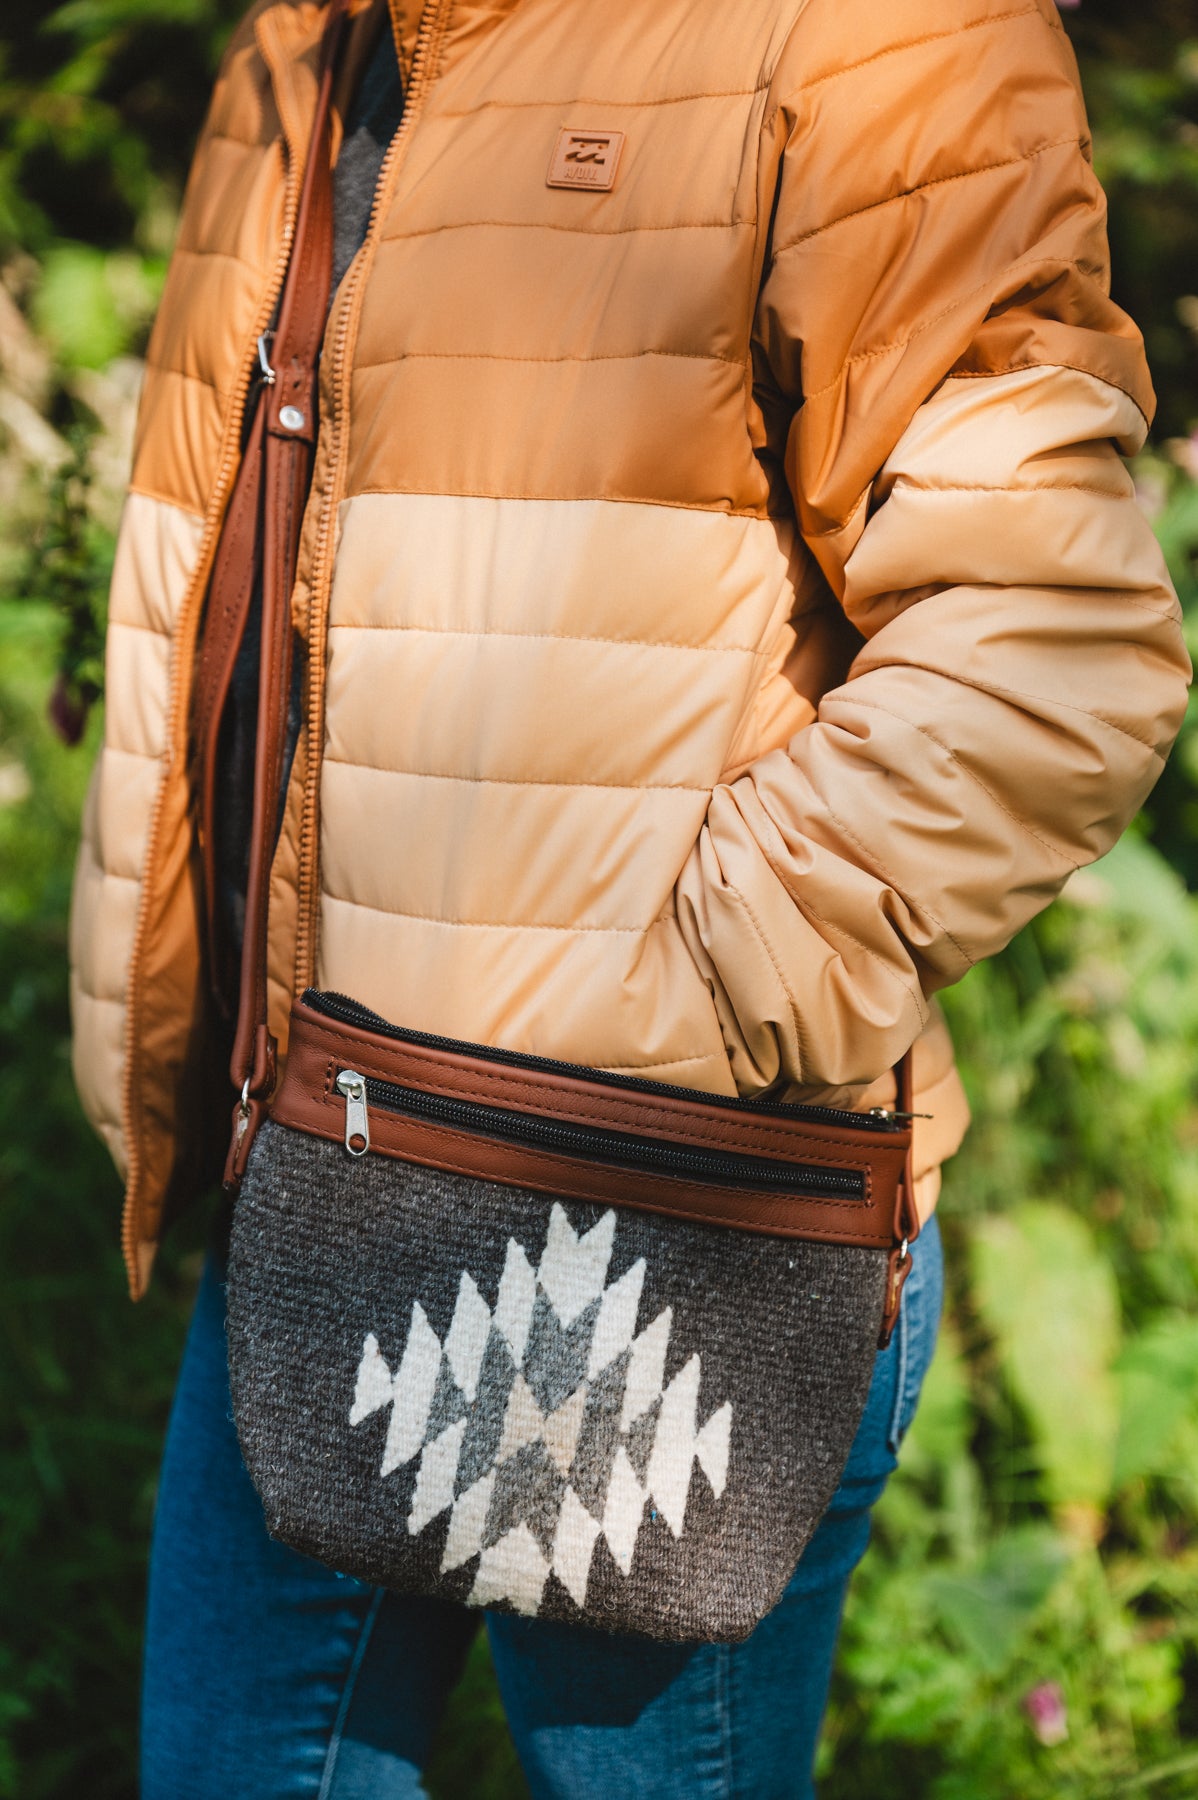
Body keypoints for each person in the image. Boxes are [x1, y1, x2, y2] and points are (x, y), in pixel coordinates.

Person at [68, 0, 1189, 1793]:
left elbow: (1048, 651)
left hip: (655, 1223)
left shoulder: (875, 31)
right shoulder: (305, 41)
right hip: (316, 1187)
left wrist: (687, 1000)